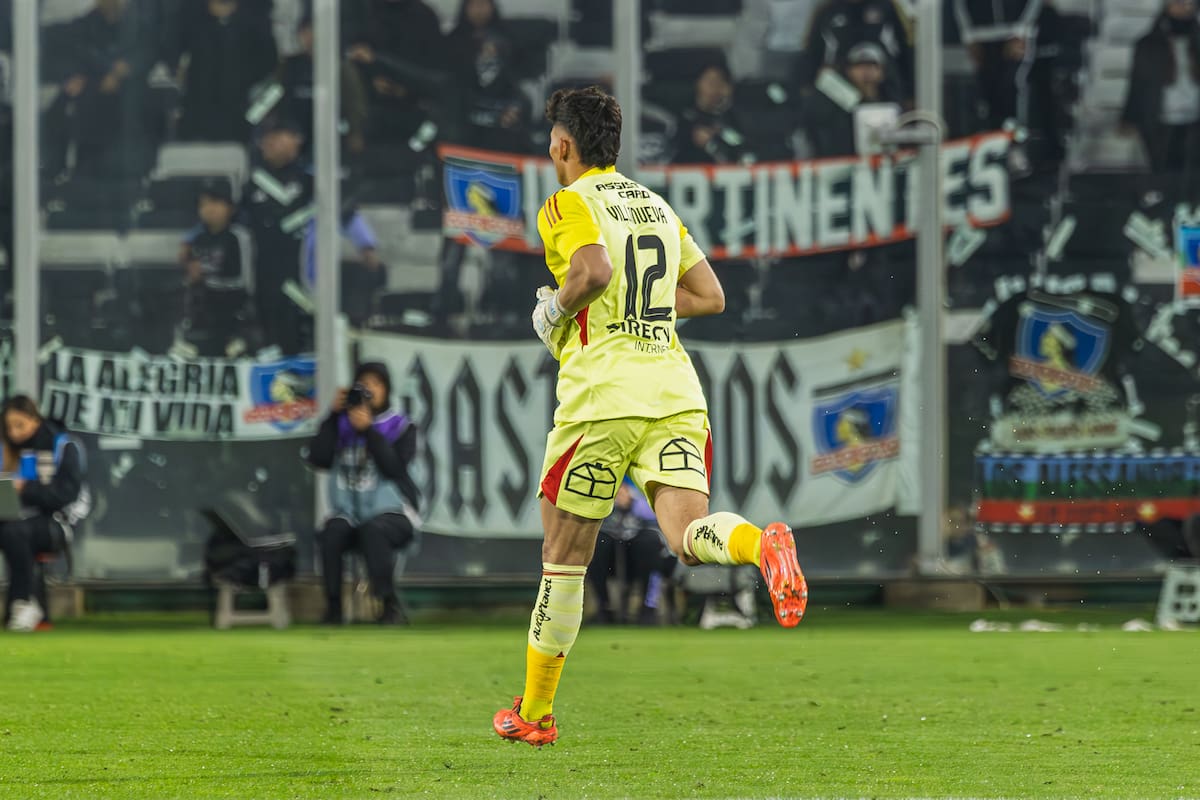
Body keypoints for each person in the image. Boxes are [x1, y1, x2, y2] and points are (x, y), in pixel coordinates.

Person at [492, 86, 808, 748]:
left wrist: (555, 311)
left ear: (562, 145)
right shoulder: (654, 206)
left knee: (563, 558)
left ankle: (537, 714)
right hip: (674, 393)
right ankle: (761, 544)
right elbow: (709, 296)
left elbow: (595, 269)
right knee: (687, 532)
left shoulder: (566, 202)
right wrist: (643, 311)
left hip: (602, 400)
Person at [306, 362, 420, 626]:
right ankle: (333, 608)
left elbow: (395, 469)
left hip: (394, 513)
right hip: (349, 514)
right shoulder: (340, 425)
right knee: (332, 531)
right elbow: (318, 459)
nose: (370, 389)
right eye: (364, 384)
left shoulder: (400, 426)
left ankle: (388, 606)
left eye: (376, 384)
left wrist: (369, 431)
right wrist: (333, 417)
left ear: (387, 390)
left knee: (373, 530)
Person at [0, 396, 90, 633]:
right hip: (15, 520)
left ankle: (24, 601)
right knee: (11, 530)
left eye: (19, 425)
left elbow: (65, 495)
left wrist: (24, 489)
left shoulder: (64, 446)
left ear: (34, 419)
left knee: (14, 532)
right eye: (9, 427)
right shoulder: (6, 451)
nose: (14, 432)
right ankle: (25, 607)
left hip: (58, 523)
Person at [173, 0, 277, 142]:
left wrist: (243, 81)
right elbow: (172, 50)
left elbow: (269, 61)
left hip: (238, 108)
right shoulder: (191, 13)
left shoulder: (255, 16)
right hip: (197, 108)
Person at [1120, 0, 1200, 176]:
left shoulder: (1196, 42)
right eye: (1178, 3)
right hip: (1158, 118)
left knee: (1191, 174)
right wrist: (1129, 117)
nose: (1184, 9)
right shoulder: (1148, 44)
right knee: (1163, 172)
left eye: (1189, 4)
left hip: (1194, 118)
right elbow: (1138, 82)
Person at [179, 179, 254, 356]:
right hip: (206, 311)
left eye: (215, 203)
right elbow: (192, 279)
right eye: (203, 204)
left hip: (234, 309)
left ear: (230, 208)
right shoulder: (198, 239)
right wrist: (192, 275)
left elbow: (245, 280)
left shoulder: (239, 237)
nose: (209, 209)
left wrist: (205, 274)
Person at [588, 480, 678, 626]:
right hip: (612, 555)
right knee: (597, 543)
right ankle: (603, 606)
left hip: (642, 556)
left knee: (649, 542)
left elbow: (659, 511)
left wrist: (632, 503)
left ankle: (648, 607)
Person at [801, 0, 913, 102]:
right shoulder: (826, 10)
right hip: (841, 89)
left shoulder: (887, 6)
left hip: (882, 86)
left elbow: (904, 49)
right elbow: (812, 54)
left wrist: (910, 94)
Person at [803, 41, 901, 158]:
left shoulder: (891, 101)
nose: (866, 71)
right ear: (849, 71)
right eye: (859, 66)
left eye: (872, 65)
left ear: (882, 71)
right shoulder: (836, 103)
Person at [672, 61, 756, 165]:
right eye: (710, 81)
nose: (714, 87)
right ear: (698, 83)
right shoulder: (685, 116)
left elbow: (740, 145)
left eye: (719, 82)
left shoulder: (728, 117)